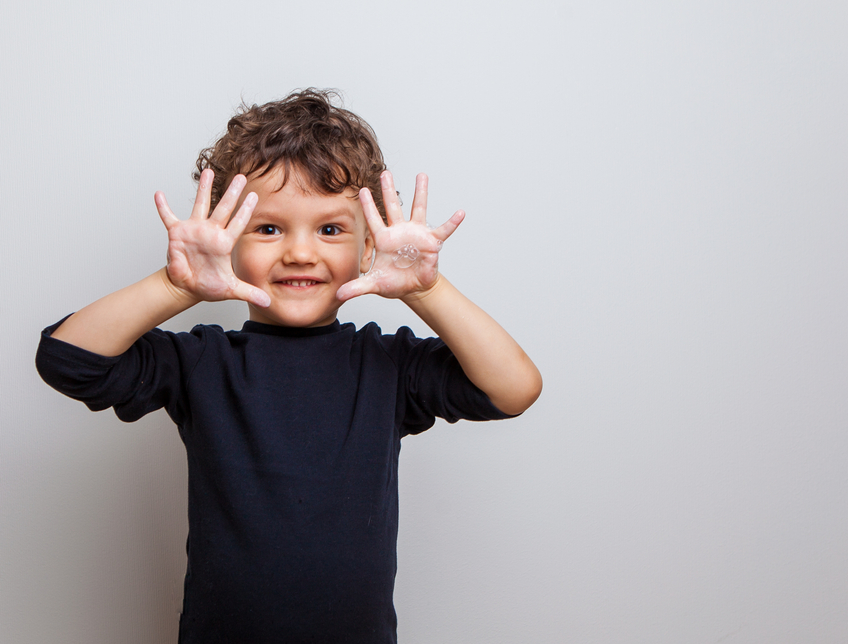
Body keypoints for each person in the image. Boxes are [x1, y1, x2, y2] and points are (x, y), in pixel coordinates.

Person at [35, 88, 542, 643]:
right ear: (229, 243)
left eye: (330, 229)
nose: (300, 253)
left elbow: (515, 389)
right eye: (269, 228)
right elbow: (67, 360)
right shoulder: (200, 361)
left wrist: (427, 289)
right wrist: (173, 287)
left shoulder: (386, 365)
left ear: (368, 246)